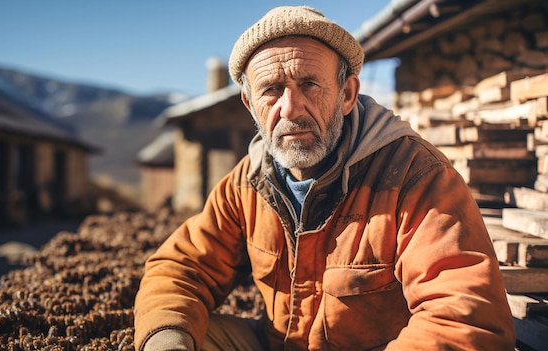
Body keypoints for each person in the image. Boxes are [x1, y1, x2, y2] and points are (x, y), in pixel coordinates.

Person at [133, 6, 515, 351]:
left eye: (309, 85)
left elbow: (463, 317)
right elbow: (181, 269)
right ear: (250, 106)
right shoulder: (248, 183)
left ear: (347, 94)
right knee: (182, 334)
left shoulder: (415, 177)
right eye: (271, 90)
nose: (290, 108)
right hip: (276, 345)